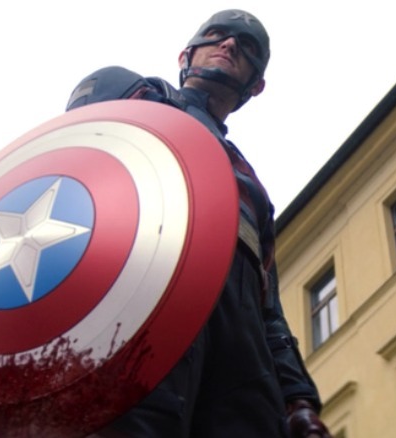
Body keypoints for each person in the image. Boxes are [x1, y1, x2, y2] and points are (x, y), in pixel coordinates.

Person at [68, 10, 331, 438]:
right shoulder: (136, 94)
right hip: (142, 304)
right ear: (185, 54)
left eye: (246, 48)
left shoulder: (252, 187)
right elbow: (75, 177)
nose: (229, 45)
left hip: (242, 357)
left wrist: (296, 399)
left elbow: (270, 310)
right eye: (216, 36)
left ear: (256, 85)